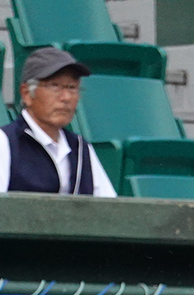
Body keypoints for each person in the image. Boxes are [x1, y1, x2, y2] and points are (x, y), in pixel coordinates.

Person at [0, 47, 116, 196]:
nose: (66, 97)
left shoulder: (80, 148)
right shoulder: (5, 143)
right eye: (54, 86)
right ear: (27, 93)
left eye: (72, 88)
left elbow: (110, 209)